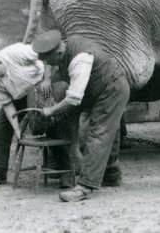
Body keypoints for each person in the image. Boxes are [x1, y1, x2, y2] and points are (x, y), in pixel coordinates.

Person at [32, 30, 130, 202]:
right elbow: (53, 67)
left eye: (49, 60)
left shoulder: (80, 59)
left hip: (112, 89)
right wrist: (46, 81)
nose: (49, 64)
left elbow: (74, 98)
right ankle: (111, 174)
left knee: (99, 133)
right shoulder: (64, 46)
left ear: (58, 53)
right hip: (96, 89)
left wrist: (51, 110)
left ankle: (85, 186)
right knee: (109, 131)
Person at [0, 42, 53, 185]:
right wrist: (17, 130)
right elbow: (7, 104)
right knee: (0, 126)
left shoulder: (14, 53)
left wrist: (47, 78)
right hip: (20, 96)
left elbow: (45, 54)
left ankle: (61, 165)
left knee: (52, 120)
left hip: (42, 85)